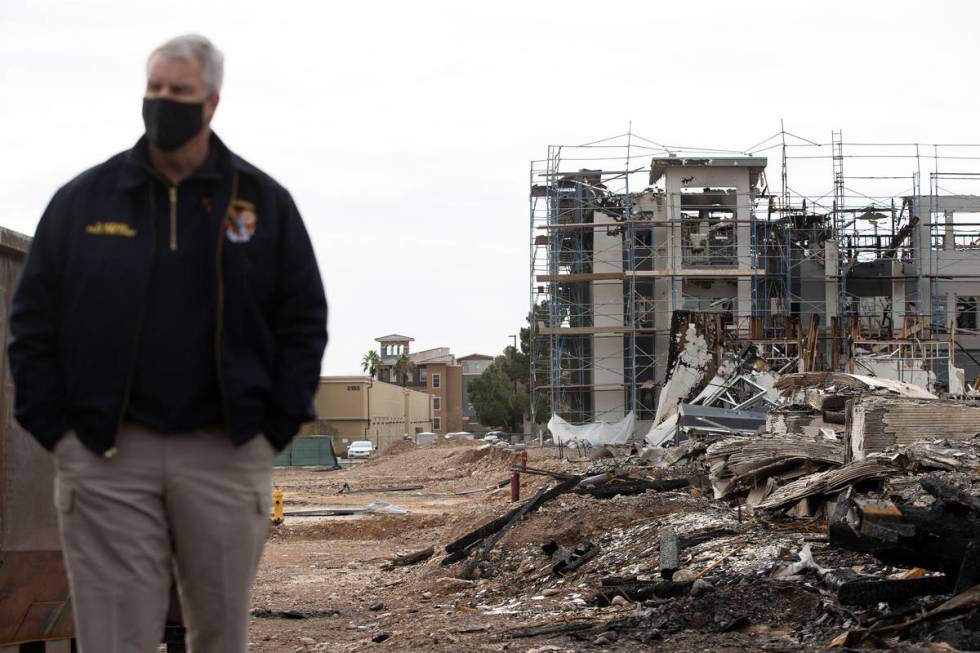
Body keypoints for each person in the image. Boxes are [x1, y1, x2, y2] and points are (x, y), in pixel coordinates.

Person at [8, 34, 327, 652]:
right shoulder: (84, 202)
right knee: (111, 638)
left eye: (178, 92)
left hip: (224, 454)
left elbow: (303, 323)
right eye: (154, 89)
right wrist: (61, 436)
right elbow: (32, 324)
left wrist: (269, 434)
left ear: (210, 102)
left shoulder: (263, 206)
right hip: (107, 458)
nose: (162, 102)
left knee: (218, 635)